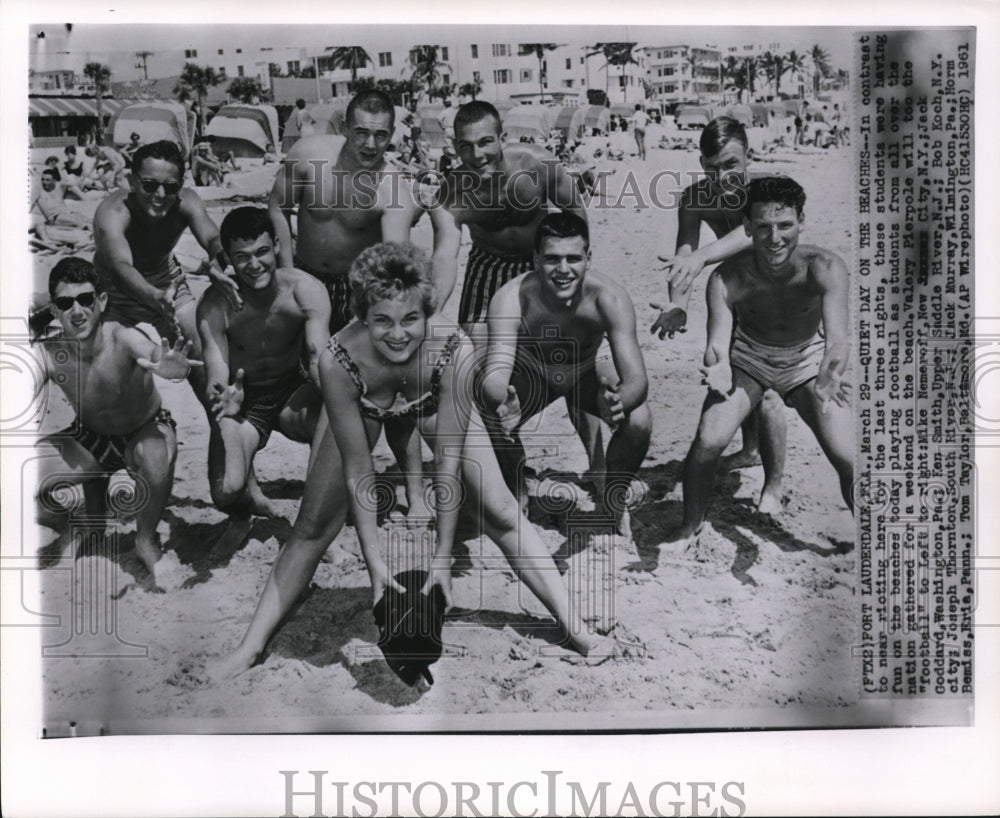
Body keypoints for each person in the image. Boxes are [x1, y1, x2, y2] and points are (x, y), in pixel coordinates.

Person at [208, 242, 613, 679]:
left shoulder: (453, 350)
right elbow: (358, 470)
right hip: (366, 400)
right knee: (313, 526)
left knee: (501, 512)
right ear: (362, 315)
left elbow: (451, 462)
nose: (397, 334)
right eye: (382, 320)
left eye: (410, 320)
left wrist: (442, 557)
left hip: (433, 393)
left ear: (427, 312)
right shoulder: (338, 359)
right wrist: (375, 564)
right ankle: (249, 648)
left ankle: (575, 628)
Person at [269, 89, 461, 526]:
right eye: (361, 133)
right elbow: (276, 206)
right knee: (318, 391)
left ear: (392, 134)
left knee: (389, 391)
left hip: (358, 292)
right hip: (306, 282)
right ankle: (330, 491)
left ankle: (413, 490)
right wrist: (286, 272)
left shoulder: (393, 187)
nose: (370, 144)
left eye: (380, 135)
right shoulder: (307, 156)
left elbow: (395, 254)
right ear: (344, 129)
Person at [670, 177, 853, 546]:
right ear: (748, 227)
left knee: (849, 455)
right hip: (750, 359)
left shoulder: (826, 266)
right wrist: (718, 365)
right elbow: (718, 344)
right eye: (764, 227)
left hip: (806, 360)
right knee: (709, 440)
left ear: (801, 220)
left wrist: (831, 370)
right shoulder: (727, 277)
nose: (774, 239)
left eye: (785, 225)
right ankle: (690, 525)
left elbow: (837, 340)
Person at [33, 257, 202, 587]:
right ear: (54, 311)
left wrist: (172, 368)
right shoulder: (51, 352)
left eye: (86, 299)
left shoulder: (122, 337)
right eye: (66, 303)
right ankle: (81, 523)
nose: (77, 311)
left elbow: (158, 357)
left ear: (101, 301)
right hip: (90, 439)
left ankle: (145, 540)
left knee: (154, 453)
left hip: (143, 431)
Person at [481, 213, 652, 535]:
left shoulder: (609, 297)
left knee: (639, 419)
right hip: (532, 372)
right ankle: (518, 498)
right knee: (490, 414)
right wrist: (500, 398)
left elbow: (637, 379)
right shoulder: (511, 297)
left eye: (573, 258)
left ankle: (615, 501)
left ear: (588, 258)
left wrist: (618, 402)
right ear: (534, 259)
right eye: (551, 259)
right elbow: (497, 368)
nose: (563, 270)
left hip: (585, 370)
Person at [651, 116, 788, 512]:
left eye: (731, 165)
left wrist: (701, 258)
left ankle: (774, 486)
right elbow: (683, 252)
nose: (722, 176)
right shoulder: (694, 198)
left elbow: (748, 233)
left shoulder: (768, 192)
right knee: (728, 373)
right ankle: (748, 451)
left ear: (749, 157)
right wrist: (678, 302)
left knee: (768, 392)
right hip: (731, 294)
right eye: (712, 168)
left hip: (777, 293)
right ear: (700, 163)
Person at [198, 207, 329, 550]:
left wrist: (335, 398)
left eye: (262, 252)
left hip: (292, 391)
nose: (254, 265)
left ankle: (311, 524)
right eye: (241, 257)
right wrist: (223, 395)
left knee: (332, 419)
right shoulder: (215, 305)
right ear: (227, 258)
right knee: (226, 489)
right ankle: (244, 512)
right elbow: (216, 369)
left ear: (276, 246)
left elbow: (317, 355)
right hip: (245, 401)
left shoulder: (304, 289)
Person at [93, 139, 239, 403]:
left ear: (180, 186)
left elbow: (212, 238)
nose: (160, 195)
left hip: (166, 281)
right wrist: (154, 297)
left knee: (205, 363)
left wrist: (218, 262)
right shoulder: (113, 212)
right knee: (113, 384)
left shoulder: (186, 202)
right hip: (115, 291)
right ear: (132, 181)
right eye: (149, 185)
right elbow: (120, 267)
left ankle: (222, 426)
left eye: (170, 187)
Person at [435, 100, 588, 344]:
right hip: (487, 263)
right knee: (477, 349)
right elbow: (444, 255)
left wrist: (577, 264)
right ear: (455, 147)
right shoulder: (451, 195)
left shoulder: (538, 164)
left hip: (538, 261)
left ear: (502, 138)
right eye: (466, 146)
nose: (477, 155)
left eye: (485, 142)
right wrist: (435, 311)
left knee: (552, 345)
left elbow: (574, 208)